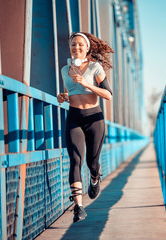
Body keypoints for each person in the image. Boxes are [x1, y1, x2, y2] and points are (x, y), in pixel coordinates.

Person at [57, 32, 114, 223]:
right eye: (73, 44)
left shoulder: (95, 67)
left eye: (81, 45)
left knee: (92, 162)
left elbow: (108, 95)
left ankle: (95, 177)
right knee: (75, 160)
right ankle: (78, 207)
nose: (76, 48)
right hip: (74, 118)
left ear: (88, 47)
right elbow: (69, 91)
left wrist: (87, 83)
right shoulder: (65, 70)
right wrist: (63, 97)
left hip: (94, 119)